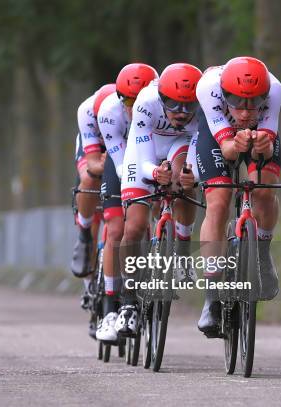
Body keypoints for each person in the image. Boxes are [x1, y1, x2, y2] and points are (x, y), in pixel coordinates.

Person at [110, 63, 203, 338]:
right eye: (175, 105)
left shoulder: (203, 111)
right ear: (162, 98)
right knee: (134, 227)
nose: (182, 113)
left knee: (183, 179)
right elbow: (140, 154)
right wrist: (154, 172)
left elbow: (197, 150)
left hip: (180, 145)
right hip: (145, 150)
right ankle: (128, 302)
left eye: (189, 106)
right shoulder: (146, 102)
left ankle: (183, 254)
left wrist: (191, 175)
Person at [195, 56, 281, 336]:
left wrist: (262, 145)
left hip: (259, 137)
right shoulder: (208, 88)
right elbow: (227, 150)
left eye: (254, 103)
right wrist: (236, 143)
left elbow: (267, 151)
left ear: (265, 96)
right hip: (218, 137)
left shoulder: (275, 90)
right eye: (237, 102)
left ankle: (263, 253)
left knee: (264, 191)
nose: (245, 113)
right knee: (218, 202)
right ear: (224, 95)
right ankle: (211, 298)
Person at [94, 63, 159, 342]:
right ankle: (110, 307)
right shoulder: (109, 113)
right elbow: (122, 166)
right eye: (128, 102)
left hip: (154, 151)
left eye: (138, 100)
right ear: (121, 99)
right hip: (121, 160)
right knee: (117, 228)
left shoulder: (157, 105)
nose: (134, 108)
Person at [71, 83, 116, 314]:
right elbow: (92, 165)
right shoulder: (87, 111)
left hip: (121, 138)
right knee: (90, 182)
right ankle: (85, 234)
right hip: (94, 148)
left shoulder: (129, 111)